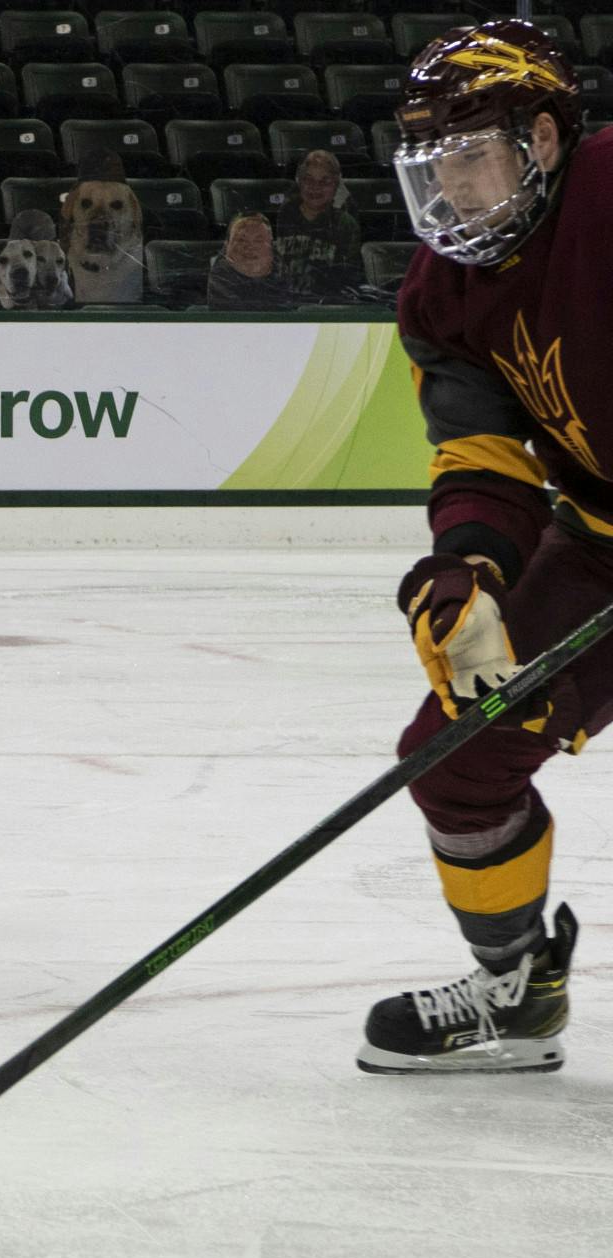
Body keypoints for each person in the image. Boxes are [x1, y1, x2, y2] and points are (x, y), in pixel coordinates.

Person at [358, 18, 612, 1074]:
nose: (449, 193)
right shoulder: (441, 293)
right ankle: (513, 988)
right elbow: (482, 458)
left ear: (541, 142)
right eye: (434, 170)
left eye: (468, 159)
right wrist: (465, 571)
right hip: (600, 540)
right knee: (456, 757)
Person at [273, 149, 364, 302]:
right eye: (308, 180)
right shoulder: (282, 215)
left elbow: (350, 276)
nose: (316, 187)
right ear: (299, 181)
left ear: (336, 184)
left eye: (325, 181)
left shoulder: (346, 224)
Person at [205, 212, 293, 310]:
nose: (250, 247)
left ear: (271, 246)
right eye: (241, 240)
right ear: (227, 246)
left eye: (258, 241)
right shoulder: (220, 279)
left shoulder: (288, 274)